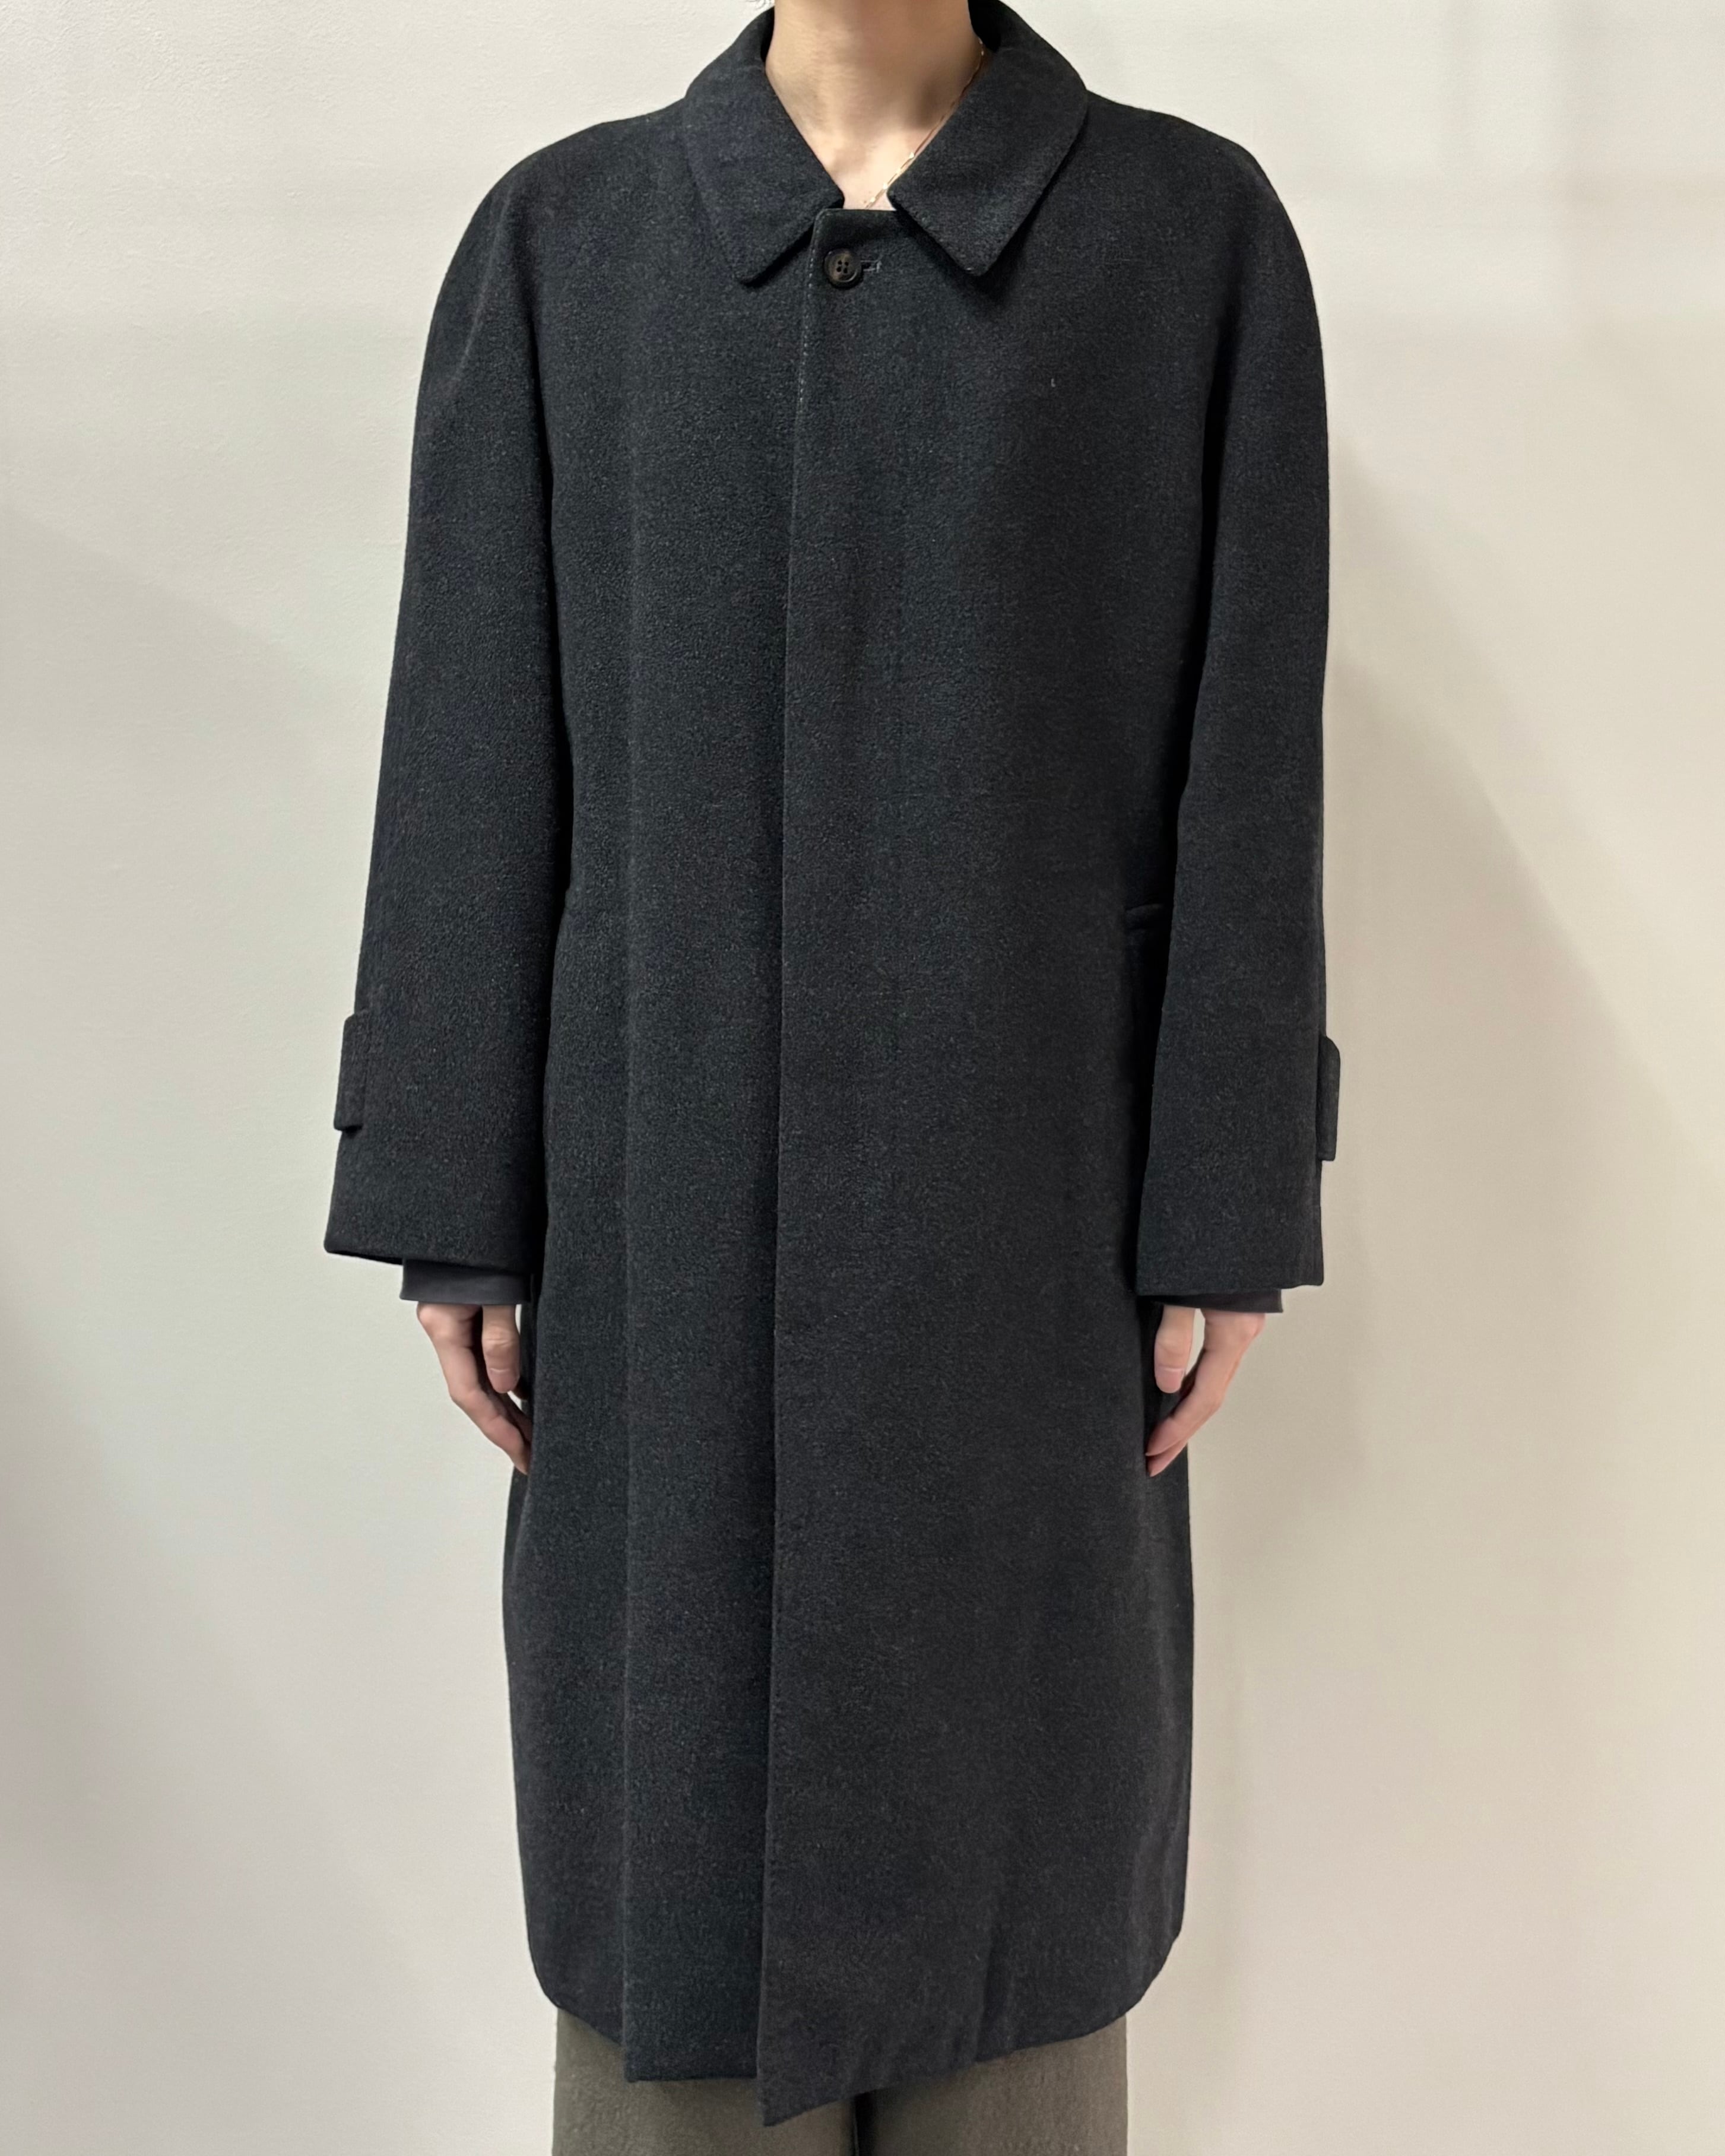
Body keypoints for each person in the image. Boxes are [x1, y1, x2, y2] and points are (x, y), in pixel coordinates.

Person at [324, 0, 1339, 2147]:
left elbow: (1244, 757)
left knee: (1016, 1909)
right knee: (663, 1882)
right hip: (650, 1224)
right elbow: (474, 730)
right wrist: (449, 1187)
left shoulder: (1183, 235)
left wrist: (1225, 1202)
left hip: (1030, 1220)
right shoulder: (568, 241)